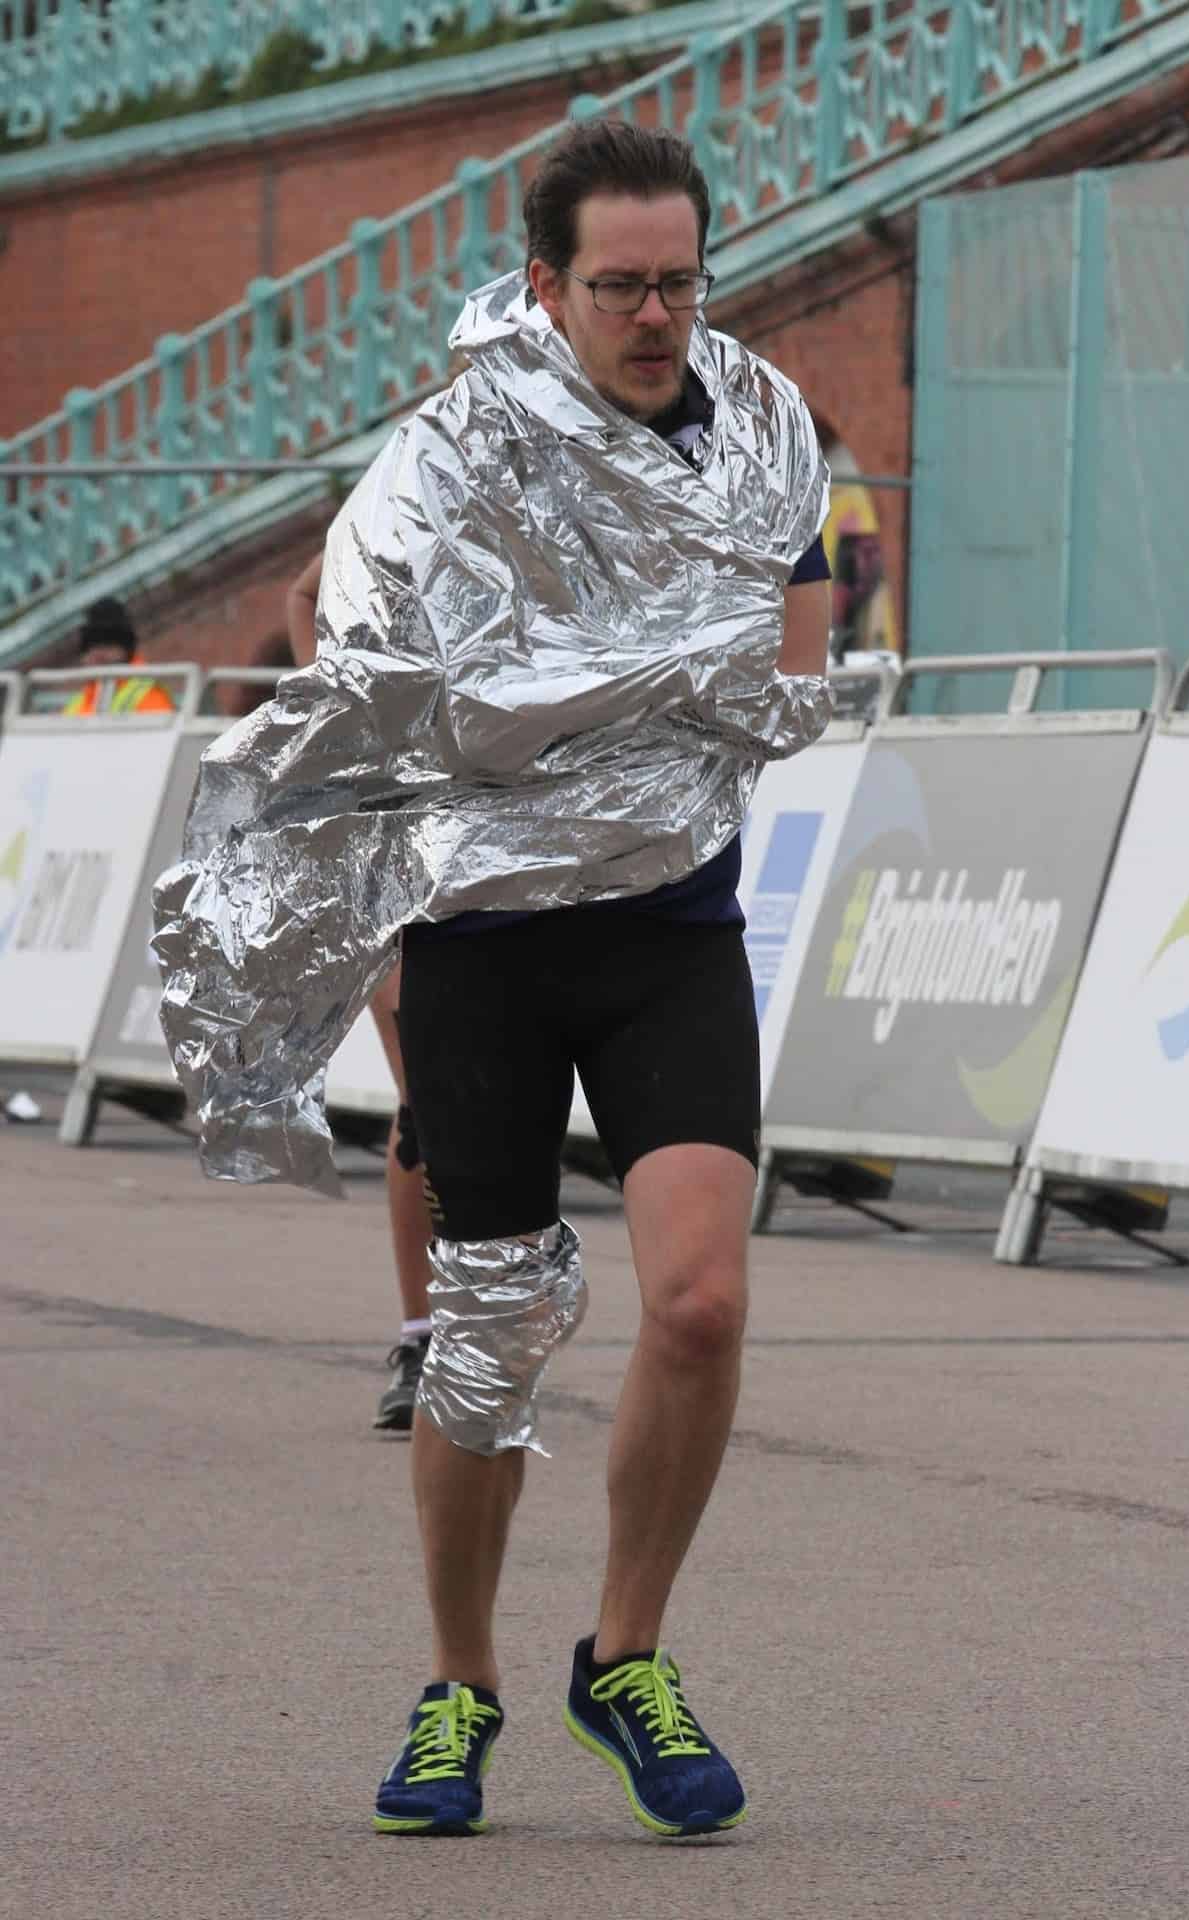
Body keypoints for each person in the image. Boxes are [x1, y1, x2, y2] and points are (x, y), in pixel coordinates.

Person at [153, 119, 832, 1843]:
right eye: (620, 286)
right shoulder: (450, 457)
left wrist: (672, 692)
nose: (657, 314)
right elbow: (382, 688)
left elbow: (790, 648)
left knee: (700, 1303)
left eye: (681, 279)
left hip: (670, 925)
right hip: (482, 946)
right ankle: (459, 1684)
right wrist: (628, 700)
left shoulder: (759, 427)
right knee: (488, 1336)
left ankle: (629, 1654)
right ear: (545, 285)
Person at [286, 554, 435, 1430]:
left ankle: (491, 1320)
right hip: (396, 844)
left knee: (491, 1104)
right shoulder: (404, 490)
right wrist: (327, 697)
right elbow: (302, 590)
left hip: (503, 840)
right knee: (426, 1099)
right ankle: (424, 1337)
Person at [62, 597, 175, 715]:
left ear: (126, 649)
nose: (97, 654)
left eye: (108, 644)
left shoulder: (149, 696)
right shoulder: (76, 704)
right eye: (90, 647)